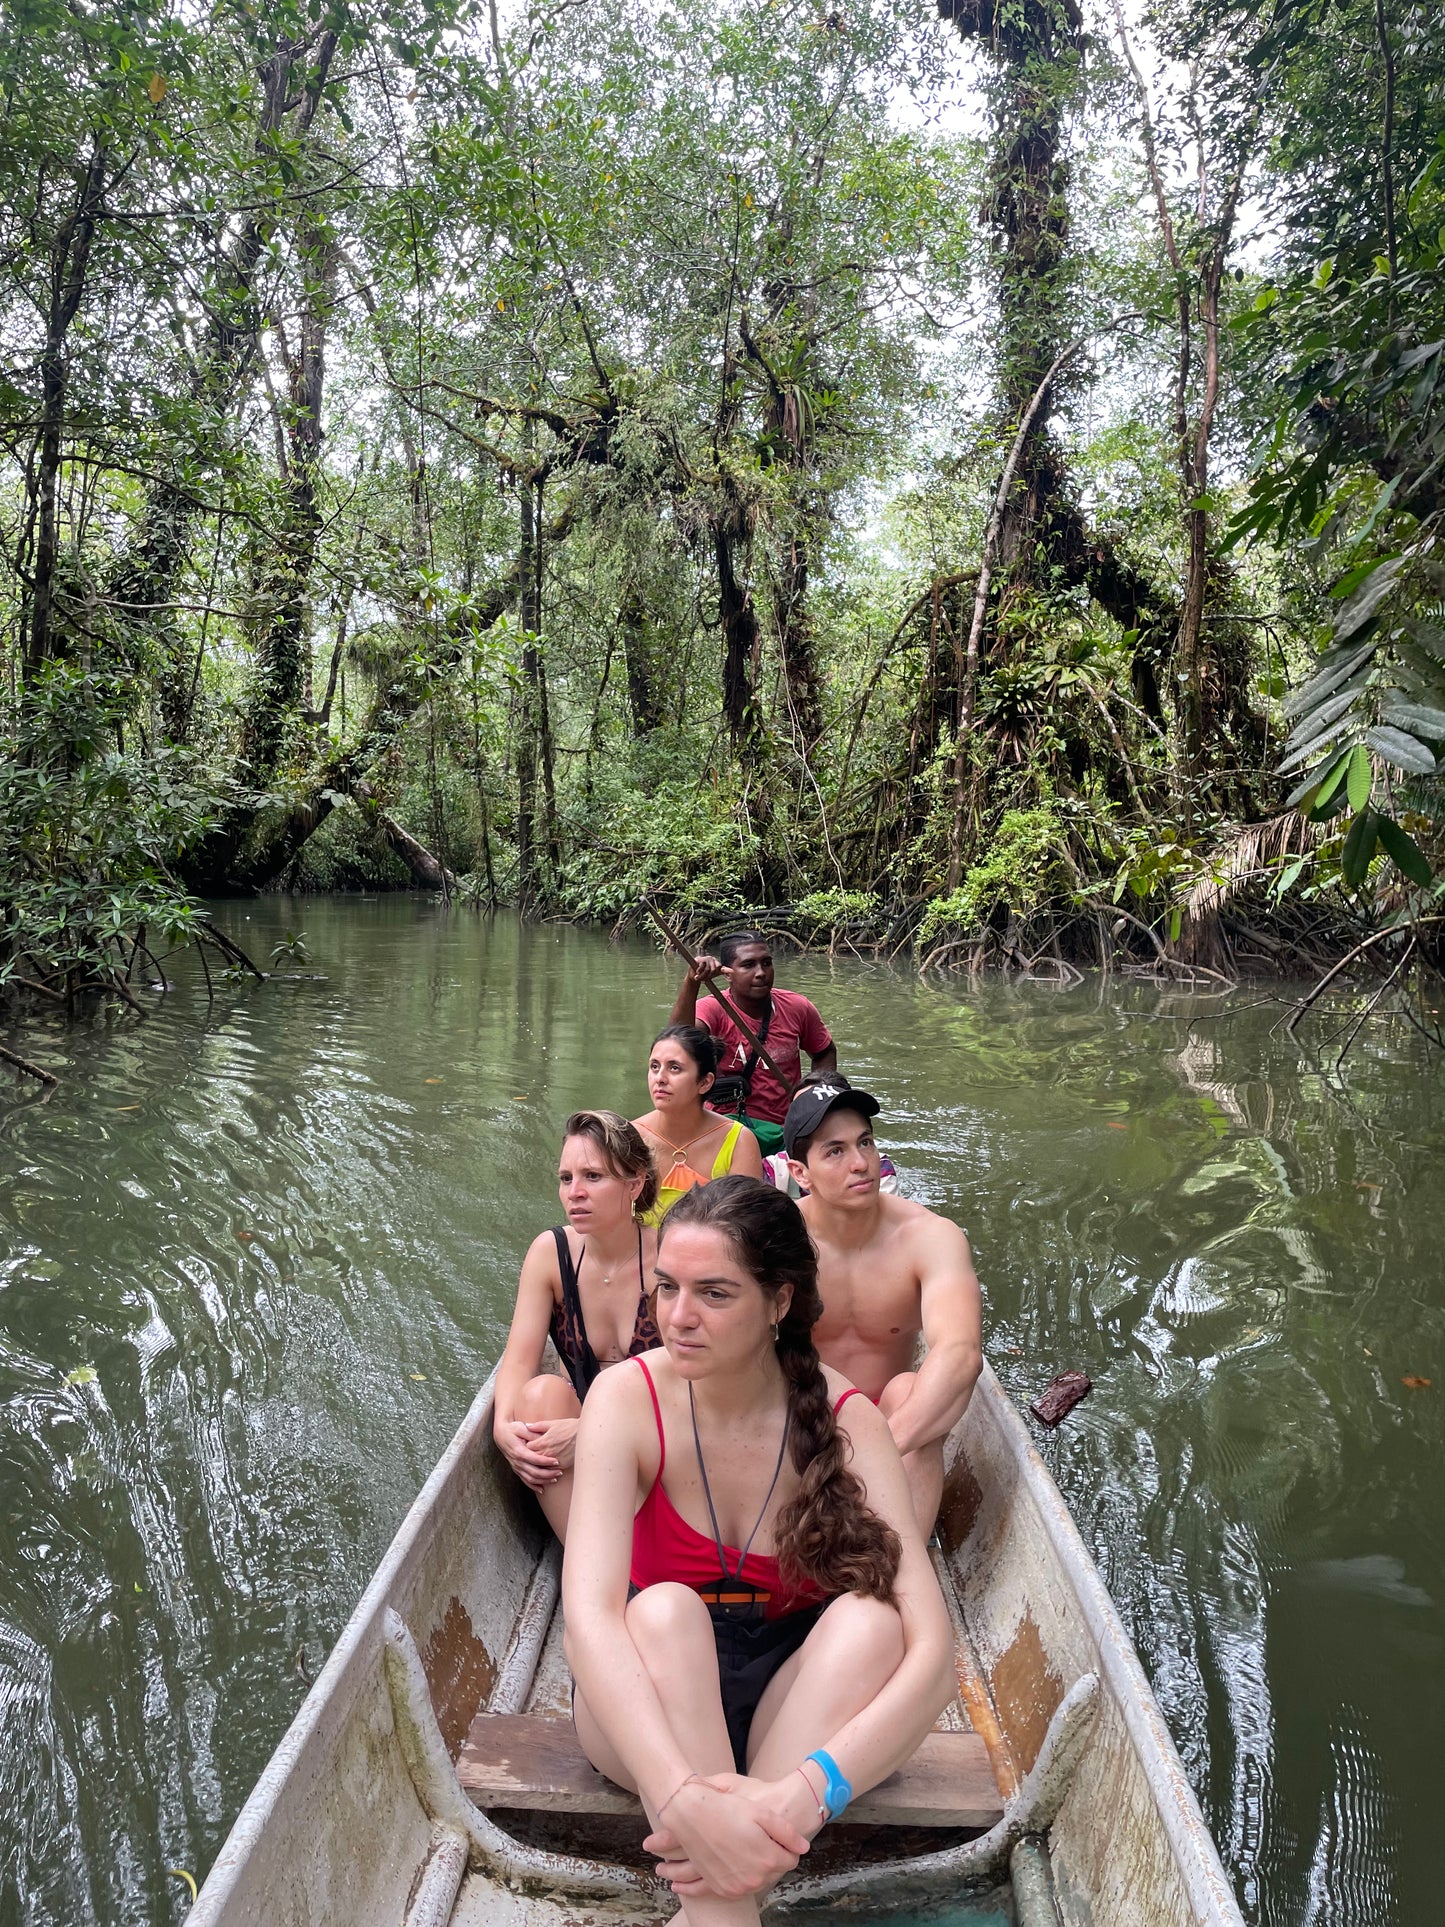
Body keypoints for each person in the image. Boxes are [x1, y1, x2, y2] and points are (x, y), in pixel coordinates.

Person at [564, 1176, 955, 1926]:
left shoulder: (847, 1421)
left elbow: (933, 1659)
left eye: (714, 1293)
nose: (678, 1317)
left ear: (778, 1301)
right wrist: (678, 1793)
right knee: (663, 1610)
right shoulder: (624, 1398)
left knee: (877, 1619)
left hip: (801, 1718)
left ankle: (719, 1903)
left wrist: (803, 1793)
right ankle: (730, 1905)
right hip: (644, 1707)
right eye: (667, 1287)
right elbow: (588, 1619)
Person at [785, 1081, 983, 1536]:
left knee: (911, 1387)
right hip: (800, 1412)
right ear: (800, 1172)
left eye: (866, 1143)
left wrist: (872, 1455)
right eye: (834, 1152)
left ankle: (900, 1568)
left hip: (891, 1425)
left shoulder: (929, 1236)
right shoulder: (779, 1239)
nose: (861, 1164)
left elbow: (959, 1353)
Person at [493, 1111, 661, 1541]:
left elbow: (695, 1396)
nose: (575, 1193)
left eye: (593, 1176)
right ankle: (595, 1559)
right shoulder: (551, 1253)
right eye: (566, 1178)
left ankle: (622, 1567)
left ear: (634, 1184)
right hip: (583, 1460)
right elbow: (518, 1360)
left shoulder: (669, 1261)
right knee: (537, 1396)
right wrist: (503, 1431)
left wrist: (590, 1432)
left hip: (660, 1441)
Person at [669, 932, 837, 1157]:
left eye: (766, 963)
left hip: (783, 1130)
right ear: (727, 973)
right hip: (725, 1127)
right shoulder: (712, 1008)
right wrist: (692, 982)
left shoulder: (798, 1007)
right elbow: (676, 1044)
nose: (761, 973)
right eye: (748, 965)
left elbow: (824, 1051)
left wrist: (814, 1097)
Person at [634, 1024, 764, 1223]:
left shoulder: (739, 1140)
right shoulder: (630, 1136)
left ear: (705, 1082)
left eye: (674, 1068)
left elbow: (745, 1226)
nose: (659, 1078)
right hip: (640, 1253)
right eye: (654, 1066)